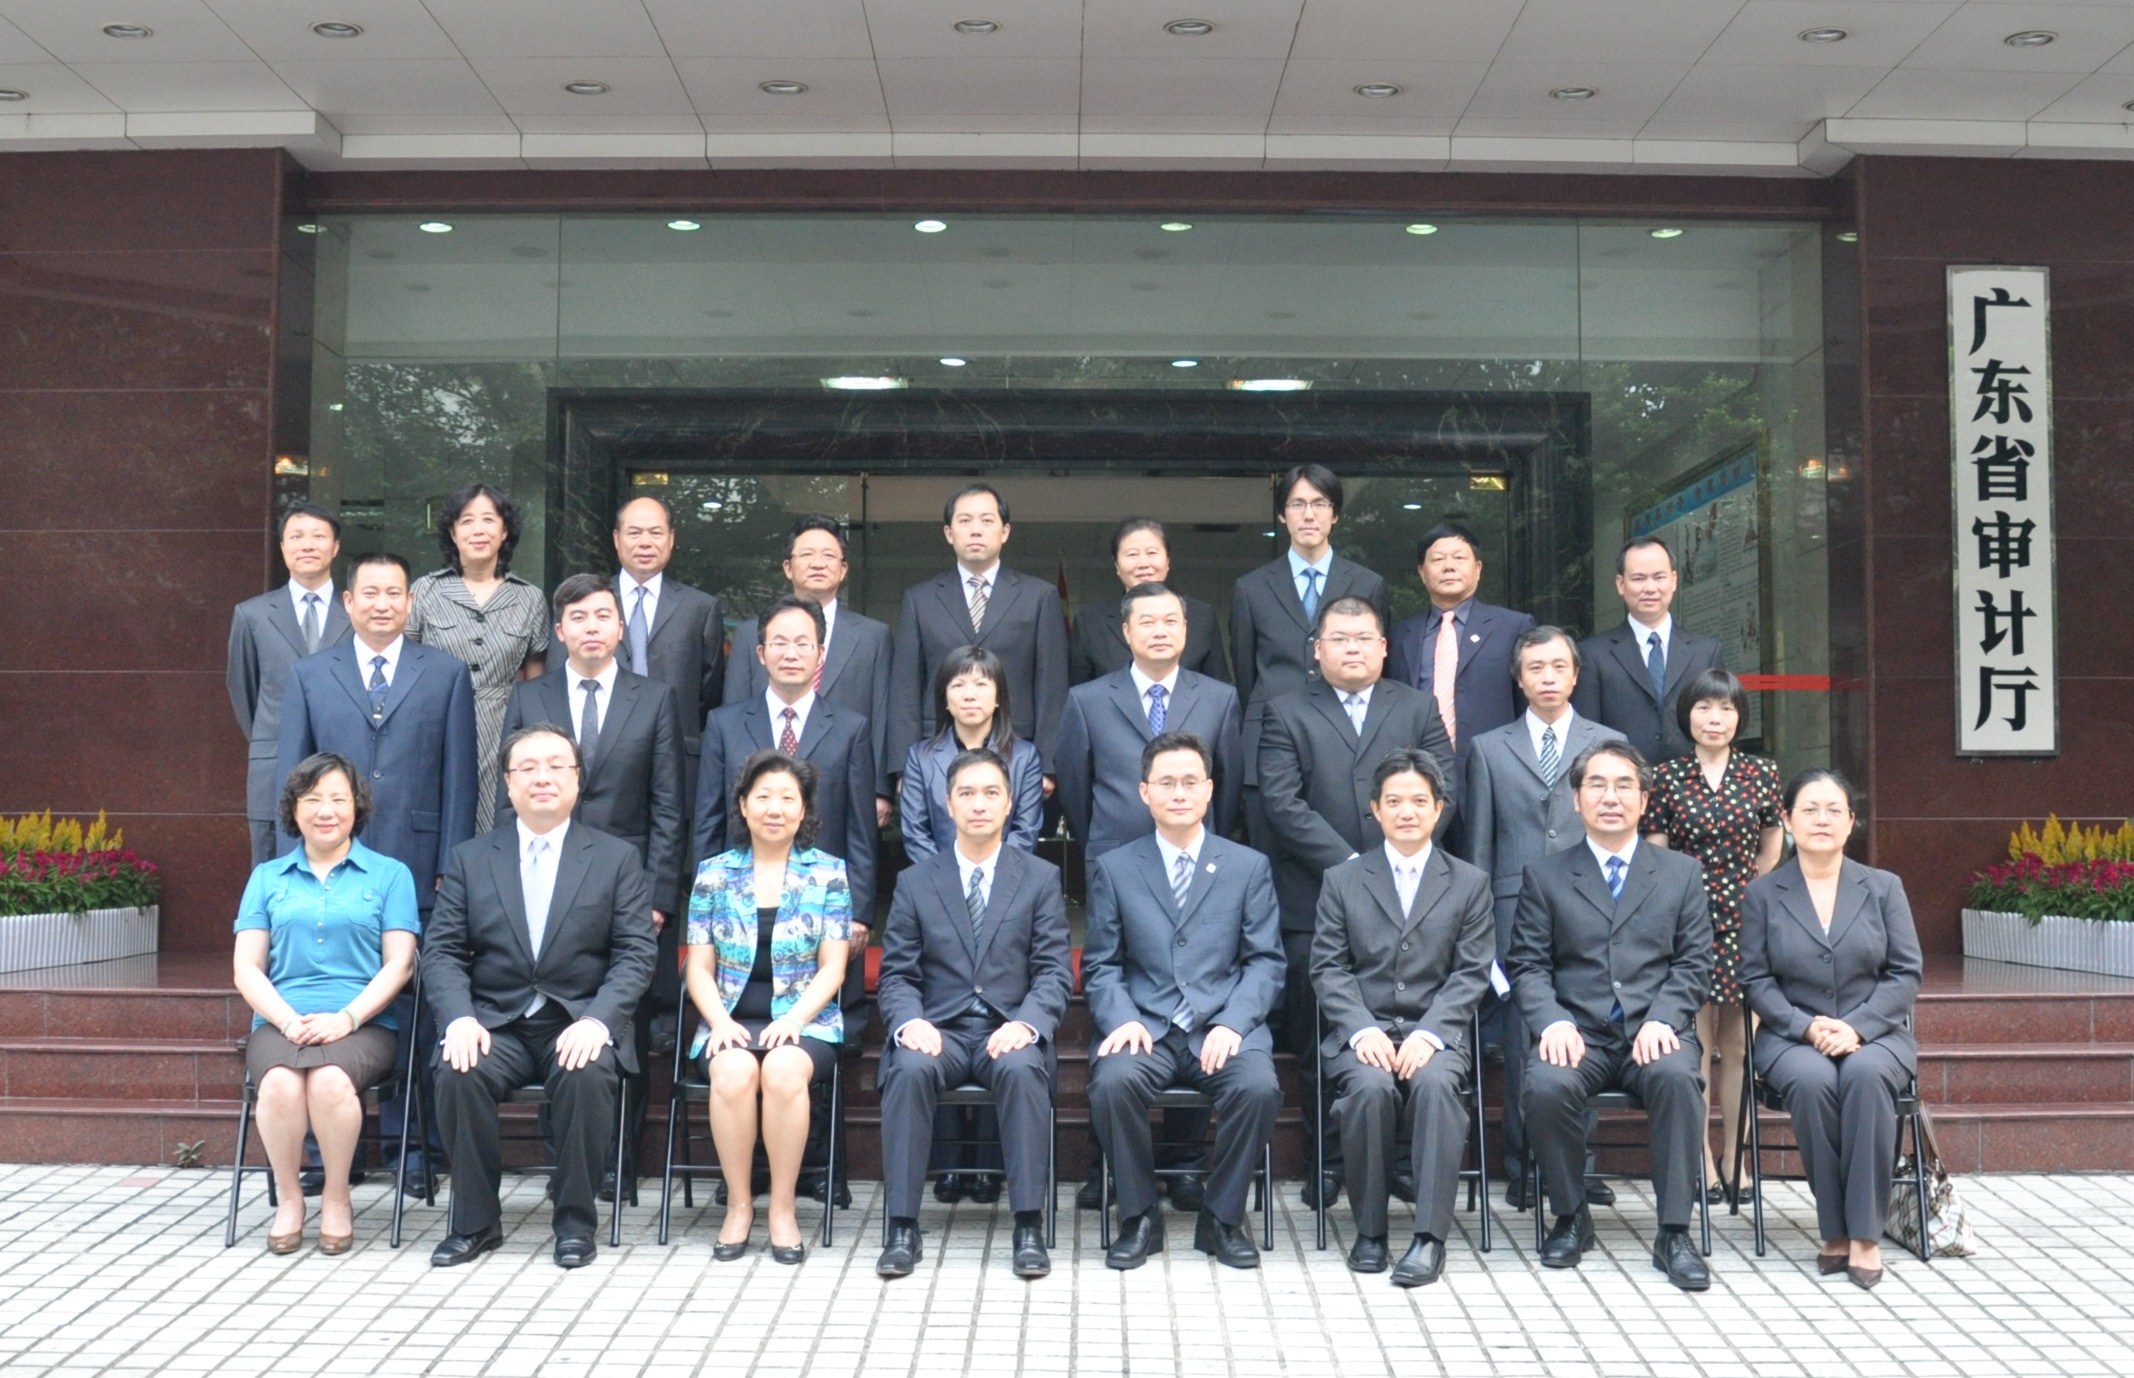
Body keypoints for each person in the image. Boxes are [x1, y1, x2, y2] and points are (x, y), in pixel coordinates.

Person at [275, 551, 479, 1195]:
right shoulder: (311, 674)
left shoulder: (445, 673)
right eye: (370, 592)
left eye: (395, 593)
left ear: (410, 602)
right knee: (323, 990)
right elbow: (293, 780)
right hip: (326, 868)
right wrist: (292, 865)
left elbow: (460, 777)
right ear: (348, 602)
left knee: (416, 1008)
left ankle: (412, 1150)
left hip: (418, 867)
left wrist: (451, 866)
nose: (382, 603)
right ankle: (326, 1153)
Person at [422, 725, 658, 1271]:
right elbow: (443, 951)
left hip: (575, 1019)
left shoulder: (615, 858)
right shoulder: (471, 858)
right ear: (508, 784)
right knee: (458, 1070)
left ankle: (575, 1223)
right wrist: (458, 1018)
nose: (542, 777)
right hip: (495, 1021)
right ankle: (475, 1223)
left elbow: (635, 953)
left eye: (556, 765)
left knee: (587, 1073)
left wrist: (599, 1021)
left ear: (577, 779)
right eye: (527, 768)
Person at [1257, 594, 1452, 1207]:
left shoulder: (1417, 707)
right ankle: (1328, 1161)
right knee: (1323, 1040)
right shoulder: (1285, 710)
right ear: (1317, 650)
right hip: (1314, 899)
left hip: (1412, 902)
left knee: (1406, 1032)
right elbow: (1281, 801)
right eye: (1339, 639)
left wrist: (1395, 858)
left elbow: (1443, 789)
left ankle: (1400, 1160)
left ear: (1384, 647)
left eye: (1363, 637)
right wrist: (1353, 868)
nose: (1352, 648)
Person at [501, 572, 687, 1195]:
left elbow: (668, 806)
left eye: (603, 617)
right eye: (578, 618)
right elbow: (509, 797)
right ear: (559, 631)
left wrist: (658, 897)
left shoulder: (654, 697)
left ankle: (619, 1166)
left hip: (626, 891)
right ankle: (568, 1166)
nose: (591, 628)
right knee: (553, 1017)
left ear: (621, 627)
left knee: (621, 1024)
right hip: (544, 889)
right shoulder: (530, 697)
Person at [1509, 741, 1714, 1292]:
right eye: (1596, 785)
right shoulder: (1546, 876)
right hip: (1579, 1032)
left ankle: (1674, 1231)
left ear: (1644, 800)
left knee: (1677, 1080)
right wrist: (1552, 1021)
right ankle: (1571, 1215)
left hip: (1655, 1029)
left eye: (1624, 785)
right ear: (1576, 799)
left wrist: (1664, 1018)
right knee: (1546, 1085)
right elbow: (1527, 964)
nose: (1610, 797)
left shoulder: (1681, 873)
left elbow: (1696, 962)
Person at [1084, 731, 1283, 1271]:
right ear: (1144, 792)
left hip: (1221, 1025)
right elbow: (1100, 964)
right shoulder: (1116, 868)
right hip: (1146, 1026)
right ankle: (1139, 1216)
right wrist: (1121, 1017)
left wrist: (1234, 1023)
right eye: (1166, 782)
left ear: (1210, 790)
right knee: (1113, 1083)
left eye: (1190, 782)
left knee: (1258, 1088)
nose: (1179, 793)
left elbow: (1266, 962)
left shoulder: (1246, 866)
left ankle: (1221, 1218)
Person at [874, 748, 1072, 1281]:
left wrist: (1027, 1023)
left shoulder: (1039, 878)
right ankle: (902, 1227)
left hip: (1007, 1027)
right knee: (908, 1067)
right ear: (948, 804)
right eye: (967, 793)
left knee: (1023, 1068)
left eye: (991, 793)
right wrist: (910, 1021)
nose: (979, 804)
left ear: (1010, 804)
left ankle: (1028, 1225)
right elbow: (896, 975)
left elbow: (1054, 971)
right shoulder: (916, 880)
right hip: (938, 1029)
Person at [1311, 750, 1494, 1286]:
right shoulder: (1343, 880)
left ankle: (1428, 1238)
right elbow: (1328, 967)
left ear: (1439, 809)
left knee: (1435, 1088)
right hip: (1362, 1032)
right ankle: (1370, 1231)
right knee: (1369, 1089)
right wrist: (1361, 1028)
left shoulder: (1469, 882)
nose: (1407, 812)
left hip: (1436, 1034)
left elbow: (1472, 972)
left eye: (1419, 800)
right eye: (1394, 801)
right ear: (1375, 809)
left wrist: (1432, 1032)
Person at [1740, 768, 1922, 1290]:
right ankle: (1834, 1228)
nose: (1821, 819)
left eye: (1833, 810)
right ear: (1787, 820)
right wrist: (1804, 1027)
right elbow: (1754, 979)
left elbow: (1905, 972)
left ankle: (1864, 1234)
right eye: (1809, 809)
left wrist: (1857, 1027)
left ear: (1851, 821)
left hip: (1876, 1033)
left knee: (1865, 1076)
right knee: (1814, 1080)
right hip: (1791, 1035)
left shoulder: (1883, 887)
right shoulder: (1763, 893)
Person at [1462, 626, 1625, 1206]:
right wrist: (1479, 925)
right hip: (1513, 908)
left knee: (1586, 1029)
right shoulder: (1489, 747)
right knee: (1521, 1036)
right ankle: (1523, 1167)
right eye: (1536, 668)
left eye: (1559, 666)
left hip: (1593, 906)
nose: (1548, 677)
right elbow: (1479, 848)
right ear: (1519, 677)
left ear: (1575, 675)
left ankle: (1578, 1167)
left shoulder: (1607, 742)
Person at [232, 752, 419, 1254]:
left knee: (331, 1082)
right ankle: (290, 1198)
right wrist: (286, 1019)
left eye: (338, 799)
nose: (326, 811)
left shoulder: (390, 875)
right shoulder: (268, 877)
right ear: (294, 810)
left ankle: (337, 1197)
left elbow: (400, 964)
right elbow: (247, 967)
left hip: (366, 1023)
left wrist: (347, 1017)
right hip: (280, 1022)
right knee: (279, 1085)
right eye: (313, 799)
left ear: (357, 808)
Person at [684, 750, 852, 1265]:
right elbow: (698, 967)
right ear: (743, 805)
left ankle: (782, 1208)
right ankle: (739, 1206)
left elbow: (834, 968)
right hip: (729, 1020)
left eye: (787, 798)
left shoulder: (829, 873)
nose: (774, 808)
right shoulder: (713, 875)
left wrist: (795, 1019)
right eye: (763, 797)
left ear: (803, 810)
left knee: (782, 1070)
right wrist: (719, 1022)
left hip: (807, 1022)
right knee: (733, 1071)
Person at [1642, 667, 1783, 1200]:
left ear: (1739, 716)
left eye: (1725, 708)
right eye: (1704, 707)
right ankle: (1699, 1155)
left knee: (1739, 1045)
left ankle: (1734, 1158)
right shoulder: (1667, 776)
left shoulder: (1761, 772)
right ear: (1688, 716)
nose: (1715, 718)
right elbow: (1656, 852)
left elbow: (1771, 843)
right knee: (1696, 1046)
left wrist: (1749, 890)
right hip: (1688, 922)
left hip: (1746, 920)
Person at [605, 495, 727, 1062]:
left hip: (677, 760)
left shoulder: (700, 607)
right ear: (617, 540)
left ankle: (662, 1015)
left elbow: (709, 688)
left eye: (656, 532)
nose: (645, 542)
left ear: (672, 541)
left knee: (667, 877)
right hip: (604, 767)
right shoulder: (593, 603)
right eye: (634, 532)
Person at [1230, 464, 1389, 853]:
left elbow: (1377, 666)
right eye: (1297, 504)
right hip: (1270, 745)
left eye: (1320, 504)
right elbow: (1245, 672)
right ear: (1282, 515)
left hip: (1349, 741)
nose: (1308, 514)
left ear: (1335, 515)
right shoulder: (1251, 587)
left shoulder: (1367, 583)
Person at [888, 483, 1070, 789]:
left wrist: (1048, 764)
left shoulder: (1039, 596)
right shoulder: (920, 599)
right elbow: (906, 687)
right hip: (937, 750)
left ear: (1005, 531)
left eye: (987, 520)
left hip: (1018, 751)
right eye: (965, 521)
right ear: (949, 533)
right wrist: (904, 768)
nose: (975, 530)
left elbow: (1052, 686)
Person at [1056, 581, 1243, 862]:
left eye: (1170, 621)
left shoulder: (1219, 699)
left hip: (1195, 857)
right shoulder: (1087, 701)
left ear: (1185, 628)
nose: (1160, 631)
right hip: (1114, 858)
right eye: (1147, 622)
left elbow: (1228, 788)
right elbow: (1074, 791)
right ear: (1126, 632)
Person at [726, 514, 893, 824]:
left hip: (844, 789)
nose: (818, 563)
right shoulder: (750, 635)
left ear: (844, 569)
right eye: (807, 554)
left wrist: (880, 790)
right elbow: (734, 715)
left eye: (829, 555)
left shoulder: (874, 637)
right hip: (763, 796)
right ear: (788, 567)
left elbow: (883, 715)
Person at [408, 483, 551, 831]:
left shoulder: (529, 598)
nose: (478, 529)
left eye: (489, 519)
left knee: (499, 822)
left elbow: (536, 680)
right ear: (453, 532)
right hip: (435, 723)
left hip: (505, 727)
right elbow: (406, 664)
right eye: (467, 520)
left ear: (505, 531)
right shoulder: (425, 591)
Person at [228, 503, 352, 865]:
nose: (307, 545)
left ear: (335, 547)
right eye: (296, 537)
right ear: (282, 547)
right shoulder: (252, 615)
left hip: (344, 766)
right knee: (273, 868)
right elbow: (244, 690)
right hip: (274, 767)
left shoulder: (356, 611)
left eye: (318, 536)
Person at [1385, 522, 1535, 772]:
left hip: (1494, 768)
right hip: (1418, 772)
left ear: (1478, 569)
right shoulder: (1401, 635)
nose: (1449, 566)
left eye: (1459, 558)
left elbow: (1528, 703)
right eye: (1438, 559)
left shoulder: (1513, 627)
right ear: (1422, 572)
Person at [1571, 536, 1725, 765]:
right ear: (1621, 584)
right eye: (1638, 578)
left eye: (1659, 577)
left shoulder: (1706, 652)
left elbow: (1721, 724)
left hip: (1693, 780)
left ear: (1674, 580)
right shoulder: (1593, 654)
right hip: (1622, 780)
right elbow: (1587, 733)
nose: (1650, 588)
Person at [900, 646, 1045, 860]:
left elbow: (1025, 833)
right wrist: (949, 876)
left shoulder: (1025, 757)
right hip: (938, 877)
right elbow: (916, 834)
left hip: (1005, 876)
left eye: (981, 684)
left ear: (998, 697)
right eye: (958, 685)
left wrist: (989, 875)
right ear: (945, 699)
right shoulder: (921, 757)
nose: (969, 695)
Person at [1069, 517, 1230, 684]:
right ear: (1116, 565)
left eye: (1152, 553)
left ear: (1167, 560)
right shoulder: (1089, 621)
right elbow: (1077, 691)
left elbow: (1219, 686)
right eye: (1132, 554)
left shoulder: (1201, 615)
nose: (1143, 564)